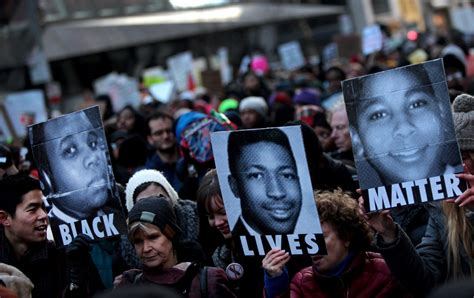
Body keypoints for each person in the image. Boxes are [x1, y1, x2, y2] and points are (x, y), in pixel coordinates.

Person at [358, 92, 474, 296]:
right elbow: (424, 283)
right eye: (455, 158)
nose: (461, 166)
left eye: (465, 156)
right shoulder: (442, 205)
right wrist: (389, 234)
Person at [263, 190, 409, 298]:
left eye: (321, 237)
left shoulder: (384, 272)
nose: (313, 246)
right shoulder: (302, 282)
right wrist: (276, 284)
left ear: (346, 236)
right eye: (308, 239)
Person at [344, 60, 462, 189]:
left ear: (442, 113)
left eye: (416, 104)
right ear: (357, 139)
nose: (404, 128)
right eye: (379, 115)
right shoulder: (358, 206)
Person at [0, 174, 104, 297]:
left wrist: (78, 279)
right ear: (4, 218)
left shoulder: (67, 257)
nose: (43, 215)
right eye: (32, 209)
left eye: (43, 207)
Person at [115, 196, 236, 297]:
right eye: (138, 241)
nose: (146, 248)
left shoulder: (208, 281)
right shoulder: (129, 286)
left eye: (153, 237)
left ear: (170, 235)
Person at [29, 107, 120, 224]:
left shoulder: (120, 212)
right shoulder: (45, 234)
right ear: (47, 177)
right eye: (70, 150)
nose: (93, 158)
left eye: (92, 143)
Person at [227, 128, 302, 235]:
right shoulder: (229, 250)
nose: (277, 192)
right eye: (257, 176)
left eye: (287, 175)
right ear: (234, 186)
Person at [144, 112, 182, 192]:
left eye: (169, 131)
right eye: (158, 133)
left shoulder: (191, 161)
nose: (165, 136)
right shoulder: (147, 173)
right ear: (150, 139)